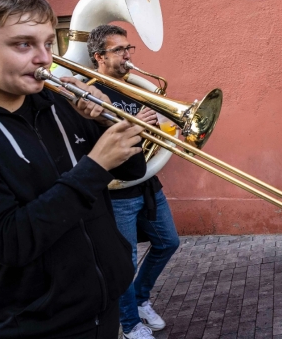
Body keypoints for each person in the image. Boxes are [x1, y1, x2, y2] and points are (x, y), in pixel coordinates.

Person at [0, 0, 146, 338]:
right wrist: (95, 166)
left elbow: (134, 170)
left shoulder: (58, 103)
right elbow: (9, 240)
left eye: (47, 43)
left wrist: (106, 120)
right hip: (27, 326)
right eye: (24, 44)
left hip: (102, 311)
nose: (44, 59)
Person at [87, 25, 180, 339]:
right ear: (99, 56)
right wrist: (137, 125)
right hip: (117, 192)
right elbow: (95, 143)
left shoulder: (135, 87)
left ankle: (140, 299)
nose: (128, 56)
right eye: (119, 50)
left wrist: (162, 127)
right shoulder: (90, 93)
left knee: (168, 242)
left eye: (129, 48)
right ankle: (129, 325)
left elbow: (159, 129)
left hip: (147, 182)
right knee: (124, 259)